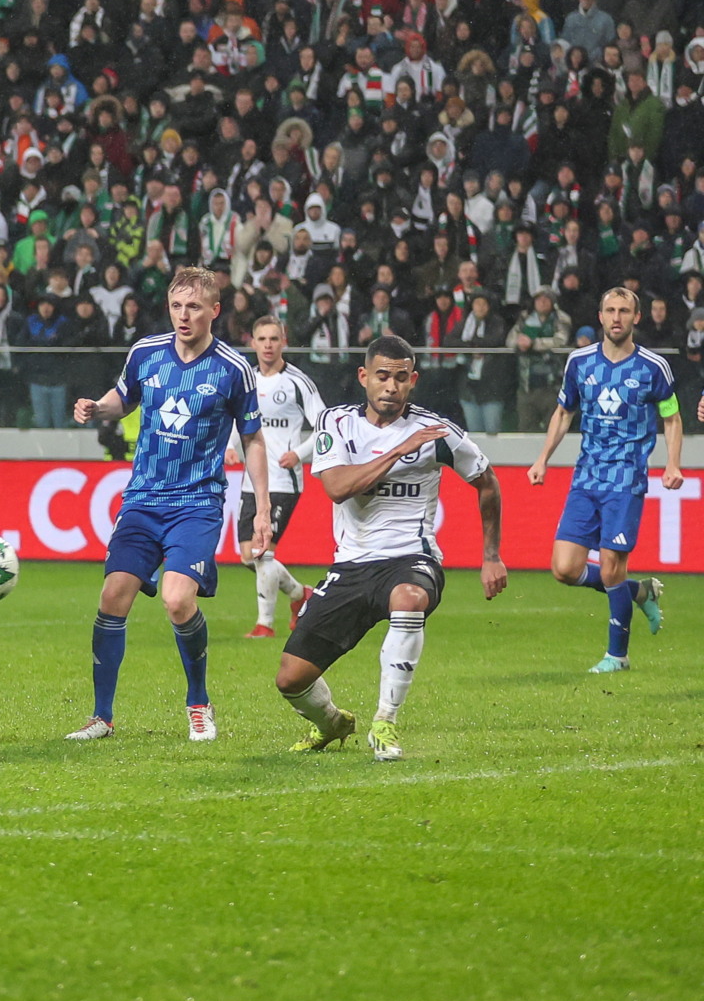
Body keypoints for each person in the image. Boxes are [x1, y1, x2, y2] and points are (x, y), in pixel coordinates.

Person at [277, 335, 508, 762]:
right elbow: (337, 488)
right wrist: (399, 451)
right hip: (350, 567)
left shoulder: (438, 433)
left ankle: (385, 721)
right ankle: (333, 722)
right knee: (290, 680)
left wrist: (490, 555)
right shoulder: (336, 422)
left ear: (413, 380)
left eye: (401, 378)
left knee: (410, 598)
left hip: (411, 558)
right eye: (382, 376)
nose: (391, 386)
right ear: (364, 377)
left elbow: (487, 482)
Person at [66, 266, 269, 744]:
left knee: (178, 601)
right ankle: (101, 717)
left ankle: (198, 702)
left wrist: (260, 508)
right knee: (112, 596)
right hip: (142, 499)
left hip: (197, 503)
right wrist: (96, 407)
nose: (184, 315)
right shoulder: (145, 353)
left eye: (194, 307)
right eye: (177, 306)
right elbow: (124, 398)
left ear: (214, 311)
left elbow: (253, 439)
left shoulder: (232, 369)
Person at [528, 287, 682, 673]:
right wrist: (543, 458)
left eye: (624, 311)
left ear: (636, 318)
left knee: (612, 566)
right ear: (600, 316)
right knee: (564, 568)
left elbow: (672, 416)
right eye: (610, 310)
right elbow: (564, 412)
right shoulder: (580, 362)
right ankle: (639, 591)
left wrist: (673, 464)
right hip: (586, 477)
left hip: (626, 479)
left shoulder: (653, 367)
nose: (617, 317)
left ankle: (618, 656)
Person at [224, 316, 329, 639]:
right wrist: (230, 447)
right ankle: (300, 595)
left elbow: (325, 425)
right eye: (262, 339)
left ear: (283, 341)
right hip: (251, 481)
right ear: (252, 343)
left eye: (274, 339)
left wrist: (299, 453)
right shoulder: (245, 379)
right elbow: (234, 419)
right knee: (247, 555)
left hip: (284, 481)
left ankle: (264, 625)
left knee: (262, 552)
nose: (268, 345)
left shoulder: (298, 382)